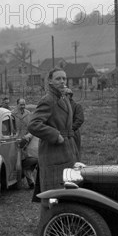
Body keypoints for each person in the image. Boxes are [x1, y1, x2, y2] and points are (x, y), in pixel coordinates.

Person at [27, 68, 79, 197]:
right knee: (55, 194)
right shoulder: (48, 100)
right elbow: (33, 125)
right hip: (54, 152)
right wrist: (55, 136)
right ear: (50, 81)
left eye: (64, 78)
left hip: (68, 150)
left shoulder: (63, 98)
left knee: (70, 191)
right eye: (58, 79)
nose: (62, 81)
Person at [65, 88, 84, 160]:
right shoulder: (61, 106)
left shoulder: (76, 106)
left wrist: (71, 129)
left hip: (73, 133)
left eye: (65, 95)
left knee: (75, 153)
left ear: (69, 96)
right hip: (63, 133)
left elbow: (79, 120)